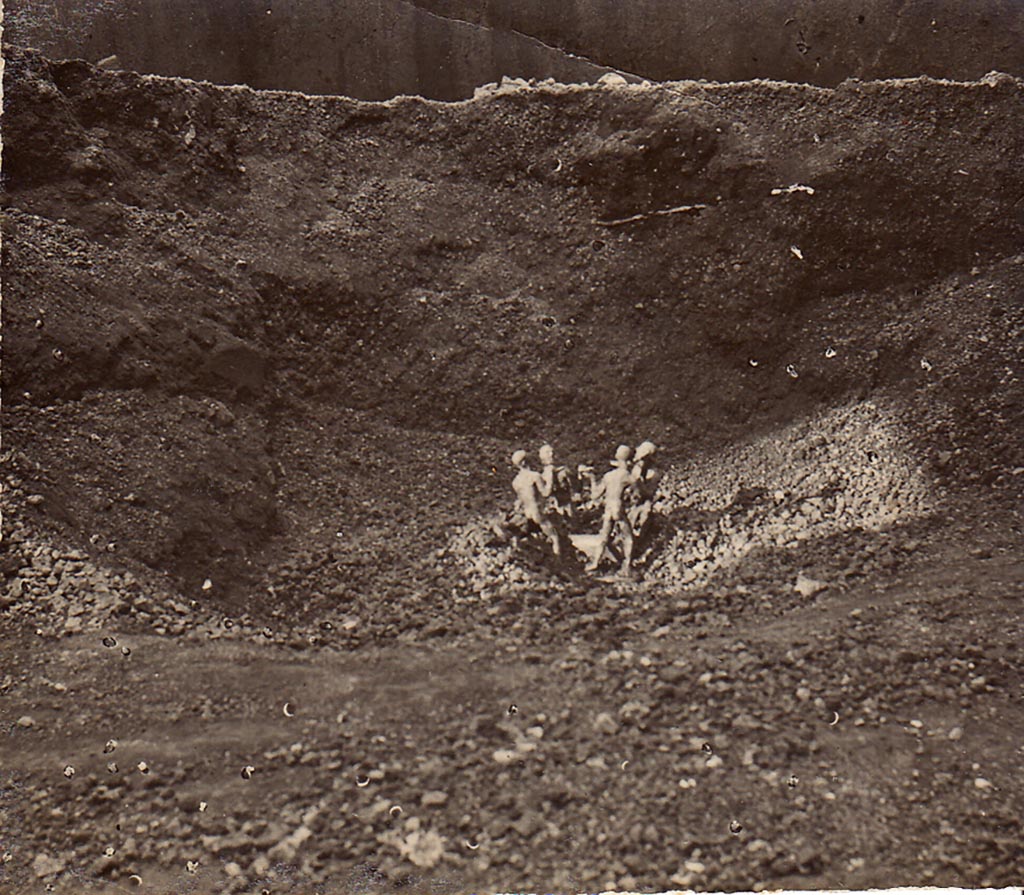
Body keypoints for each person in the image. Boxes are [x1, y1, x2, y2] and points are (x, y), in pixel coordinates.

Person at [584, 444, 635, 575]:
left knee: (604, 537)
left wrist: (592, 479)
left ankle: (595, 562)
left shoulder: (608, 476)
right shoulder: (626, 475)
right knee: (628, 538)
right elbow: (640, 492)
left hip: (608, 509)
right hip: (618, 507)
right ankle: (627, 566)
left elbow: (594, 495)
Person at [510, 449, 562, 557]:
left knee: (526, 532)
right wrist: (550, 478)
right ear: (525, 462)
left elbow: (521, 498)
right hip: (537, 511)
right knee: (554, 537)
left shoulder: (515, 481)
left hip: (526, 511)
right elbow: (546, 493)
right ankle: (558, 560)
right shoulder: (534, 476)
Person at [629, 440, 664, 541]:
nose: (640, 463)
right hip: (632, 501)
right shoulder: (636, 470)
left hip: (645, 501)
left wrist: (639, 485)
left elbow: (649, 494)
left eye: (643, 460)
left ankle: (640, 537)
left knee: (646, 512)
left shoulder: (654, 474)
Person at [539, 443, 577, 520]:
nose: (551, 454)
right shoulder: (542, 474)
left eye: (552, 452)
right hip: (553, 505)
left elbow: (574, 485)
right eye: (547, 452)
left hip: (566, 504)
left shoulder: (563, 470)